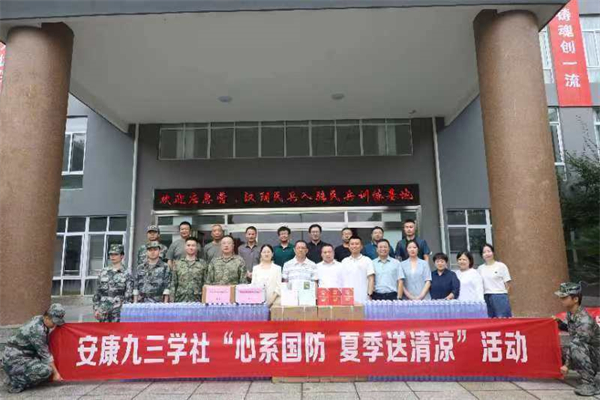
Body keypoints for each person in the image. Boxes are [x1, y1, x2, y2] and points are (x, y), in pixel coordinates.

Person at [1, 304, 65, 393]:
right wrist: (56, 374)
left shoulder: (40, 319)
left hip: (21, 354)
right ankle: (17, 383)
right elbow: (45, 356)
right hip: (14, 359)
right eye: (54, 322)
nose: (54, 325)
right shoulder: (37, 330)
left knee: (41, 363)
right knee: (45, 370)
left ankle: (15, 376)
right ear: (47, 317)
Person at [554, 282, 600, 397]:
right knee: (566, 350)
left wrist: (567, 365)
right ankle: (587, 375)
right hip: (592, 351)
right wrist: (560, 324)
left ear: (575, 299)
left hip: (596, 353)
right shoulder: (572, 313)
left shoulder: (585, 320)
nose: (561, 300)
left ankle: (590, 384)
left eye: (564, 297)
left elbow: (578, 341)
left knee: (575, 348)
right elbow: (574, 330)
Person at [93, 244, 134, 322]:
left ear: (122, 256)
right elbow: (97, 292)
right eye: (111, 254)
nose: (113, 257)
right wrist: (96, 308)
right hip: (103, 309)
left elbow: (129, 295)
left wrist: (125, 310)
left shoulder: (127, 273)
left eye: (116, 254)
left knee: (118, 330)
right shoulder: (103, 272)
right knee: (103, 329)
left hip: (119, 311)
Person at [477, 243, 512, 318]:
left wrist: (503, 296)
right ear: (482, 255)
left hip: (499, 296)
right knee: (489, 320)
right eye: (484, 252)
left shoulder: (501, 266)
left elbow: (508, 283)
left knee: (502, 320)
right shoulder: (480, 268)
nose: (487, 254)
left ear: (493, 252)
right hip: (485, 297)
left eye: (489, 251)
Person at [169, 237, 207, 302]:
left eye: (193, 245)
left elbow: (206, 283)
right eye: (188, 245)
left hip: (197, 300)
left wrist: (205, 300)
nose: (190, 247)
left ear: (197, 247)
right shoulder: (178, 264)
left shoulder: (203, 264)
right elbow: (173, 283)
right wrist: (172, 300)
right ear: (185, 247)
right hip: (180, 299)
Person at [341, 236, 374, 304]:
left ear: (361, 246)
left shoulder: (367, 260)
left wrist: (369, 294)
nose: (354, 246)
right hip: (347, 297)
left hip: (363, 297)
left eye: (357, 244)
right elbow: (341, 279)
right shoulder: (344, 261)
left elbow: (371, 278)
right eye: (352, 244)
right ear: (349, 246)